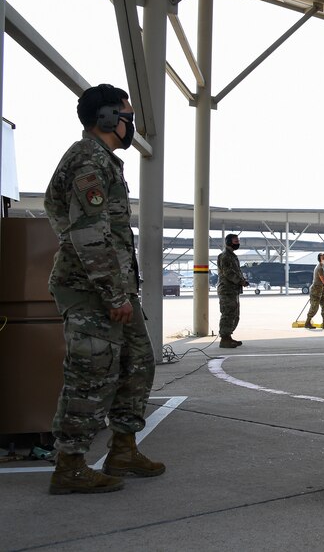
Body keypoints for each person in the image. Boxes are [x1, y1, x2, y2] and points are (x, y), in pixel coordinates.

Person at [43, 84, 165, 495]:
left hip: (112, 286)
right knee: (90, 375)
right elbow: (87, 231)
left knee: (138, 363)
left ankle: (123, 450)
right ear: (110, 118)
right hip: (93, 292)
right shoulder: (87, 160)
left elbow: (56, 211)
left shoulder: (103, 161)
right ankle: (70, 465)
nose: (131, 124)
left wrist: (119, 288)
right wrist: (113, 294)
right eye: (128, 115)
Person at [216, 234, 249, 347]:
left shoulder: (232, 256)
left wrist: (242, 280)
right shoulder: (225, 256)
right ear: (228, 242)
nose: (237, 243)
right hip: (227, 290)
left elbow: (235, 272)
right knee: (228, 314)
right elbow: (228, 273)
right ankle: (224, 339)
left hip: (233, 290)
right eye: (235, 241)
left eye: (238, 241)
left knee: (234, 315)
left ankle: (228, 337)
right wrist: (241, 281)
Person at [304, 253, 324, 329]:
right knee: (314, 307)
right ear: (320, 259)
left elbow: (322, 282)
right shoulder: (320, 268)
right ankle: (307, 322)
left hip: (321, 289)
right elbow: (323, 280)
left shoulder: (322, 267)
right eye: (323, 257)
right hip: (315, 289)